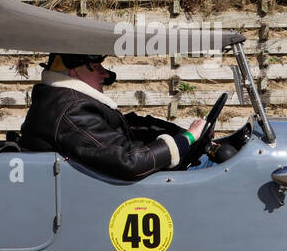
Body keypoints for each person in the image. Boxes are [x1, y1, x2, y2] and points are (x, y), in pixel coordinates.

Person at [19, 53, 207, 179]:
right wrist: (186, 139)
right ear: (74, 72)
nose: (104, 73)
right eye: (95, 66)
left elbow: (127, 125)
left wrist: (181, 133)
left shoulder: (65, 102)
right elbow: (128, 160)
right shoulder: (72, 110)